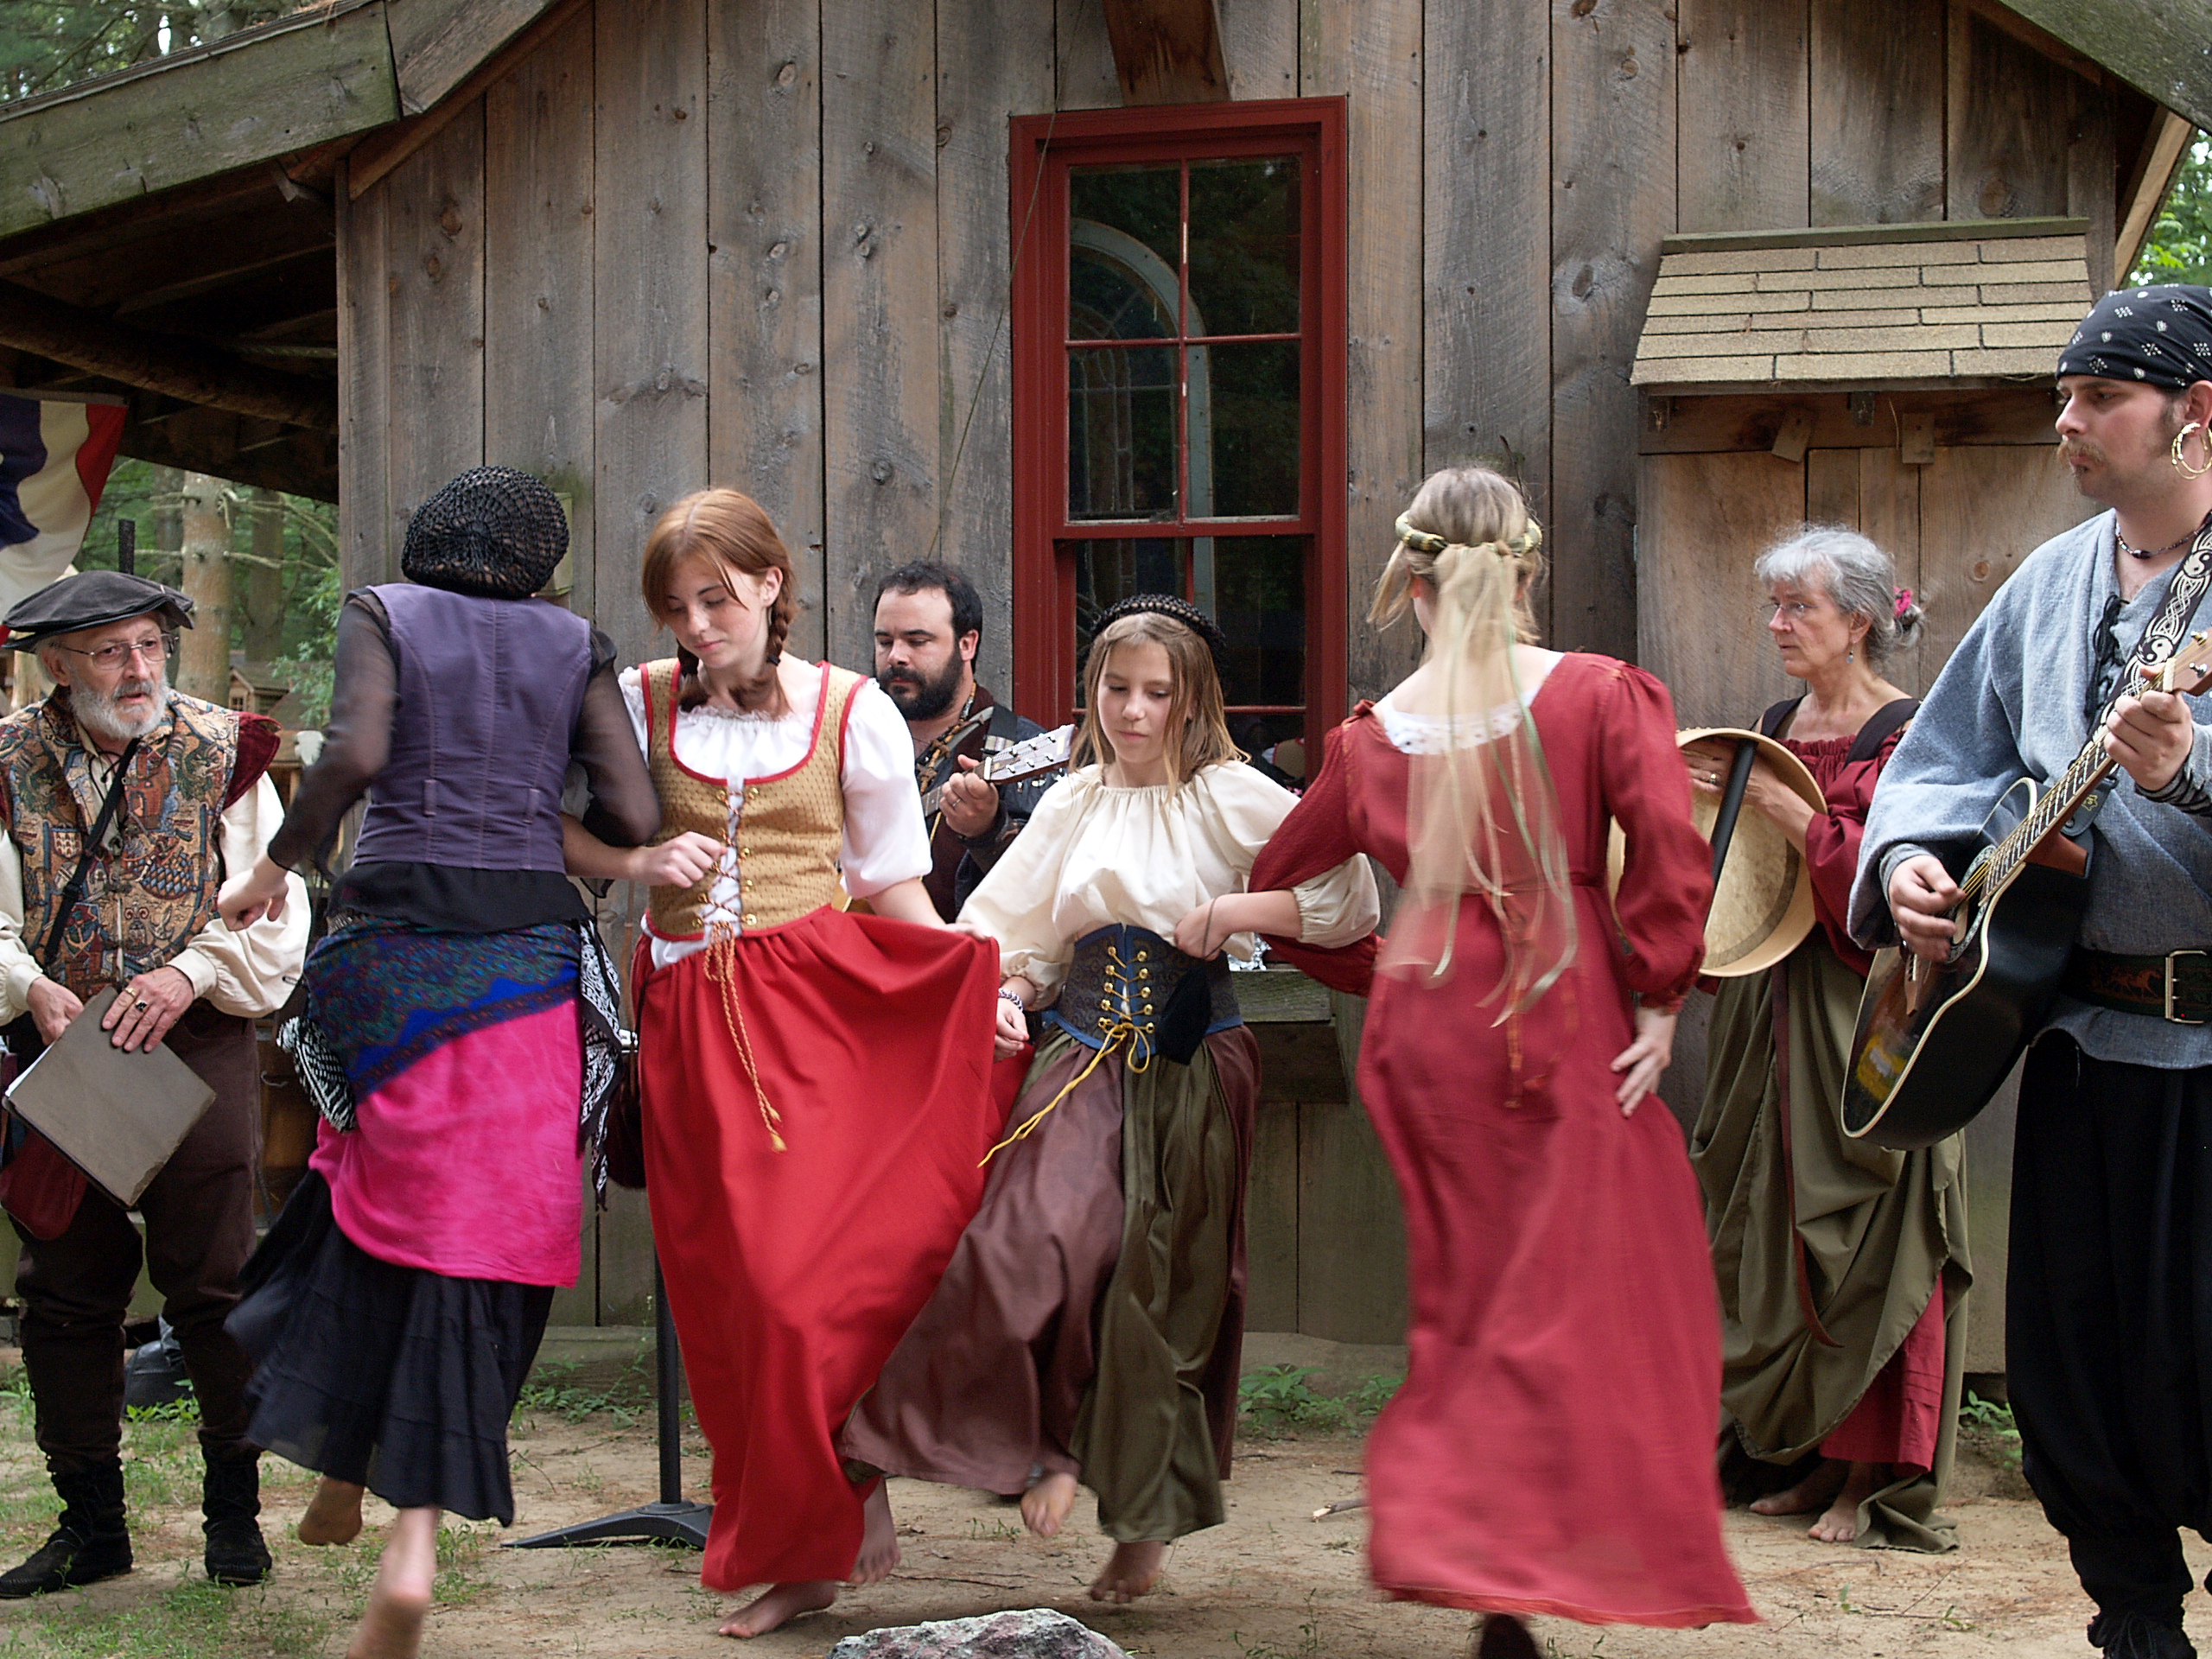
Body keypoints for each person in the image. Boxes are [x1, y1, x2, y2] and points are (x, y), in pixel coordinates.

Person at [1244, 467, 1756, 1656]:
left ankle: (1479, 1559)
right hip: (1560, 1004)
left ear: (1413, 584)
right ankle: (1518, 1554)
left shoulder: (1368, 738)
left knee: (1470, 1300)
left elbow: (1287, 874)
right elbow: (1667, 852)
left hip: (1426, 1025)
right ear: (1525, 575)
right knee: (1587, 1293)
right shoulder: (1600, 694)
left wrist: (1370, 961)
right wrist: (1662, 997)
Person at [841, 594, 1380, 1604]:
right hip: (1080, 1053)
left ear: (1192, 700)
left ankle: (1144, 1522)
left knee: (1162, 1291)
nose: (1132, 710)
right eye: (1116, 689)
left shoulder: (1232, 795)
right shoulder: (1073, 800)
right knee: (1023, 1243)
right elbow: (1018, 932)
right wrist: (1007, 995)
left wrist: (1232, 909)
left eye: (1155, 693)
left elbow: (1345, 897)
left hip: (1194, 1059)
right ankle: (943, 1454)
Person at [214, 467, 660, 1659]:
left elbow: (355, 753)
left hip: (391, 957)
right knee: (478, 1232)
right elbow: (632, 814)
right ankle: (402, 1541)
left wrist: (273, 869)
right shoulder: (575, 644)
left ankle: (341, 1472)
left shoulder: (385, 612)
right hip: (526, 968)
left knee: (364, 1190)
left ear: (430, 540)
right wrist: (543, 803)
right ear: (539, 563)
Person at [560, 488, 1007, 1640]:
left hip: (815, 1016)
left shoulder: (852, 709)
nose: (697, 625)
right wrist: (638, 860)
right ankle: (817, 1540)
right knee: (729, 1305)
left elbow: (892, 882)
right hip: (686, 1024)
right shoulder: (633, 700)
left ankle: (838, 1495)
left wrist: (973, 990)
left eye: (717, 599)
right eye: (677, 606)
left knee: (800, 1288)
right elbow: (540, 827)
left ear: (771, 585)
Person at [1854, 287, 2212, 1659]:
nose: (2066, 420)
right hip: (2073, 1046)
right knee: (2078, 1371)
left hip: (2209, 1063)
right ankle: (2135, 1624)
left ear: (2196, 412)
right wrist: (1910, 863)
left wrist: (2189, 775)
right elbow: (1942, 760)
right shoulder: (2051, 582)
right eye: (2065, 394)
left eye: (2100, 395)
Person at [0, 570, 308, 1596]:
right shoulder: (6, 761)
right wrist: (31, 988)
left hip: (196, 1038)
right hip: (61, 1048)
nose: (138, 670)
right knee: (64, 1291)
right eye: (110, 652)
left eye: (148, 646)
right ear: (57, 665)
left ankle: (235, 1517)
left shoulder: (225, 752)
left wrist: (191, 974)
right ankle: (92, 1528)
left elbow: (272, 908)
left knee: (216, 1283)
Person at [1687, 527, 1970, 1550]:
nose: (1776, 625)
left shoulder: (1913, 734)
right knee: (1773, 1221)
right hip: (1765, 1007)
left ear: (1857, 621)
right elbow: (1733, 871)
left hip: (1867, 1012)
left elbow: (1913, 883)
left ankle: (1867, 1475)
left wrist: (1781, 807)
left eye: (1797, 607)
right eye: (1773, 606)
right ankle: (1804, 1454)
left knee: (1873, 1232)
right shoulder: (1771, 726)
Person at [871, 560, 1047, 918]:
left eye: (917, 641)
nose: (896, 656)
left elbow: (1045, 898)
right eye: (885, 641)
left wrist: (988, 831)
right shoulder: (852, 732)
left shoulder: (1018, 746)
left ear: (967, 644)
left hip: (963, 950)